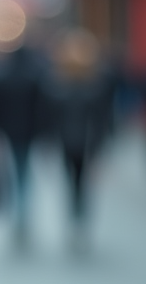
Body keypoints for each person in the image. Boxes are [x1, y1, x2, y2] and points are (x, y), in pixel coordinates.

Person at [44, 29, 109, 250]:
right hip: (79, 143)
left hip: (75, 143)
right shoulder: (90, 86)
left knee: (74, 183)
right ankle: (78, 220)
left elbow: (101, 120)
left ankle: (77, 219)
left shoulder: (60, 86)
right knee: (79, 184)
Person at [0, 42, 46, 245]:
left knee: (10, 174)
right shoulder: (32, 79)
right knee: (24, 173)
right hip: (27, 133)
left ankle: (15, 214)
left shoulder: (2, 78)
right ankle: (22, 214)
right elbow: (40, 109)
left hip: (7, 132)